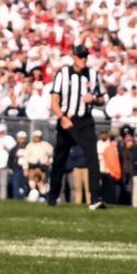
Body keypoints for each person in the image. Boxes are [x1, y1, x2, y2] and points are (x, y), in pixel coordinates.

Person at [48, 44, 105, 209]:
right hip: (67, 118)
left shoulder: (93, 74)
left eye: (86, 56)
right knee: (60, 158)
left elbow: (103, 98)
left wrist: (93, 99)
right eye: (81, 56)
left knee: (92, 157)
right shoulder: (63, 74)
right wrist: (61, 118)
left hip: (85, 120)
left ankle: (94, 198)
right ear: (73, 57)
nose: (84, 59)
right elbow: (54, 100)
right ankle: (53, 196)